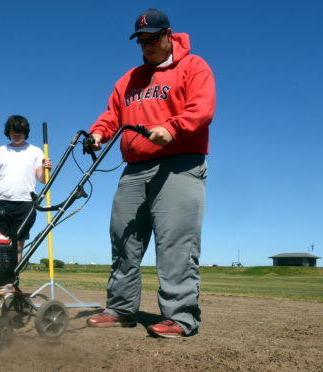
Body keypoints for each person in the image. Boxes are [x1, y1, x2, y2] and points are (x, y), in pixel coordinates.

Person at [86, 8, 216, 338]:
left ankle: (181, 317)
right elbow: (111, 115)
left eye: (153, 38)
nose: (147, 45)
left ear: (169, 34)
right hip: (134, 170)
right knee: (123, 239)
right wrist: (99, 133)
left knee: (175, 242)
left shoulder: (193, 66)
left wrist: (173, 128)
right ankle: (120, 308)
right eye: (141, 41)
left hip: (180, 163)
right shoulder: (128, 80)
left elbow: (202, 108)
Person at [0, 115, 52, 262]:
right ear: (8, 132)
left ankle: (11, 281)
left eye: (20, 131)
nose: (16, 134)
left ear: (25, 132)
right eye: (13, 131)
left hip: (25, 204)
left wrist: (47, 169)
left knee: (18, 246)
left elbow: (43, 179)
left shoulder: (36, 151)